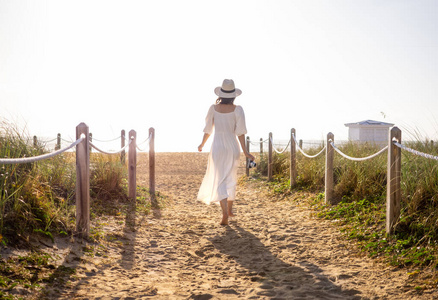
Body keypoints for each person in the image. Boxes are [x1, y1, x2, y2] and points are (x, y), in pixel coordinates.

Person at [197, 79, 255, 225]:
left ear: (221, 94)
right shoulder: (238, 109)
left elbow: (208, 129)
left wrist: (202, 144)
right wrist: (246, 152)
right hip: (232, 146)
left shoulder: (213, 108)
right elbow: (240, 133)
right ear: (234, 95)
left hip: (217, 146)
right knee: (230, 176)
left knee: (219, 178)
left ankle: (225, 213)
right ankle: (229, 210)